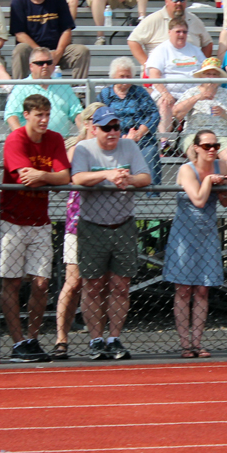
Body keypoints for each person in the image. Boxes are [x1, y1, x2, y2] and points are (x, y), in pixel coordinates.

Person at [71, 105, 151, 361]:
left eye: (116, 127)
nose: (113, 132)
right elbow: (78, 178)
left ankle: (114, 338)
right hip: (92, 225)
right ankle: (96, 339)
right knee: (92, 285)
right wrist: (108, 174)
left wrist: (127, 179)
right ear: (94, 129)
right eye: (107, 128)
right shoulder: (84, 149)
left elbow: (145, 177)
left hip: (123, 224)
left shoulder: (129, 147)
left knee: (120, 285)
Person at [0, 94, 71, 363]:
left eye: (47, 114)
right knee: (12, 282)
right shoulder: (16, 139)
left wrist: (42, 175)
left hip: (40, 221)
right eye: (38, 115)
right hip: (13, 220)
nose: (43, 120)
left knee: (41, 283)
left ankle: (32, 338)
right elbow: (22, 177)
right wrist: (46, 177)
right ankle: (18, 342)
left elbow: (63, 176)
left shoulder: (54, 139)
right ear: (26, 115)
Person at [165, 128, 227, 358]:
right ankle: (185, 344)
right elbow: (199, 199)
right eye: (207, 146)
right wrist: (211, 182)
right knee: (183, 289)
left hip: (207, 233)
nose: (212, 150)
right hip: (184, 234)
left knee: (203, 290)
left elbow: (225, 202)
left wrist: (224, 185)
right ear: (196, 148)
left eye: (215, 145)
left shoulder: (220, 165)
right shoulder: (186, 169)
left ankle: (197, 342)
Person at [52, 102, 101, 359]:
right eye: (94, 121)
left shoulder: (111, 146)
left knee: (97, 284)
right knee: (73, 282)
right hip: (77, 222)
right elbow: (70, 168)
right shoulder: (75, 146)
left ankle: (97, 338)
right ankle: (61, 337)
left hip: (103, 219)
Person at [9, 0, 89, 80]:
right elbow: (20, 34)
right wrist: (41, 53)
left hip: (56, 51)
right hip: (33, 51)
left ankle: (80, 92)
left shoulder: (58, 0)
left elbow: (67, 30)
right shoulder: (18, 2)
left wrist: (58, 52)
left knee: (81, 51)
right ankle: (19, 91)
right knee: (20, 49)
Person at [172, 58, 227, 171]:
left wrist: (225, 113)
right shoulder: (191, 92)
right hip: (195, 134)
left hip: (222, 135)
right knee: (199, 152)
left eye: (215, 74)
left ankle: (225, 184)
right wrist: (197, 98)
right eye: (208, 74)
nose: (211, 77)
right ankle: (203, 183)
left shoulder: (226, 94)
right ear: (201, 76)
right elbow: (176, 113)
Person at [97, 57, 160, 185]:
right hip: (113, 137)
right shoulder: (105, 95)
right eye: (122, 76)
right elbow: (99, 117)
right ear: (114, 77)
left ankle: (152, 194)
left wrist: (139, 132)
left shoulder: (139, 92)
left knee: (151, 151)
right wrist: (122, 137)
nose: (125, 80)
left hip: (141, 139)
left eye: (128, 76)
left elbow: (153, 114)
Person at [4, 46, 83, 136]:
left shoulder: (63, 85)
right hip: (32, 142)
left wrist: (85, 135)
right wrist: (22, 138)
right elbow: (11, 116)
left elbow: (77, 113)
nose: (45, 66)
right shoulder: (21, 87)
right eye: (40, 63)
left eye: (48, 62)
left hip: (62, 142)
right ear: (31, 66)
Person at [148, 16, 206, 137]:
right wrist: (165, 93)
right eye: (178, 31)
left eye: (184, 32)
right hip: (169, 93)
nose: (181, 35)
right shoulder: (161, 50)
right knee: (165, 103)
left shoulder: (195, 50)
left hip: (193, 93)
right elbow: (154, 76)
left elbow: (205, 71)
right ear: (169, 32)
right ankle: (166, 142)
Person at [128, 0, 214, 65]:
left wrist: (202, 66)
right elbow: (133, 41)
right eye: (175, 0)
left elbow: (207, 43)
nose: (179, 3)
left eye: (182, 0)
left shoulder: (194, 20)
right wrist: (147, 64)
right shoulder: (154, 19)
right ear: (166, 1)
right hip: (160, 74)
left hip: (190, 73)